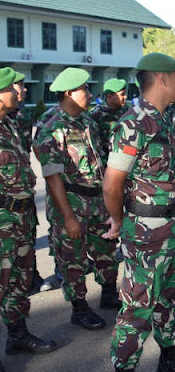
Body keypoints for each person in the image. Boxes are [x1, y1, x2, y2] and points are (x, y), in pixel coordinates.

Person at [102, 53, 175, 372]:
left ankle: (171, 359)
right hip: (146, 232)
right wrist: (118, 220)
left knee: (170, 298)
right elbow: (113, 183)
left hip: (173, 227)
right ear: (163, 78)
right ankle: (124, 366)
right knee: (138, 307)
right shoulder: (134, 121)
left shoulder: (163, 118)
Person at [33, 68, 119, 331]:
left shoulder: (87, 121)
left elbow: (100, 163)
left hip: (96, 201)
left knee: (105, 250)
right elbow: (53, 177)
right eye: (86, 90)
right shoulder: (51, 126)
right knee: (73, 258)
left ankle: (108, 294)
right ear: (69, 93)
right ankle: (79, 308)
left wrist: (109, 203)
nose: (91, 94)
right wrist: (68, 217)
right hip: (71, 203)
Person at [0, 68, 57, 372]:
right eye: (15, 88)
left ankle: (17, 334)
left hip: (21, 215)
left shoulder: (10, 124)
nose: (21, 92)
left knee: (19, 282)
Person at [90, 78, 129, 159]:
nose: (125, 97)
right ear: (109, 96)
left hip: (127, 158)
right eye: (122, 94)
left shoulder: (127, 111)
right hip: (106, 160)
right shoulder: (97, 114)